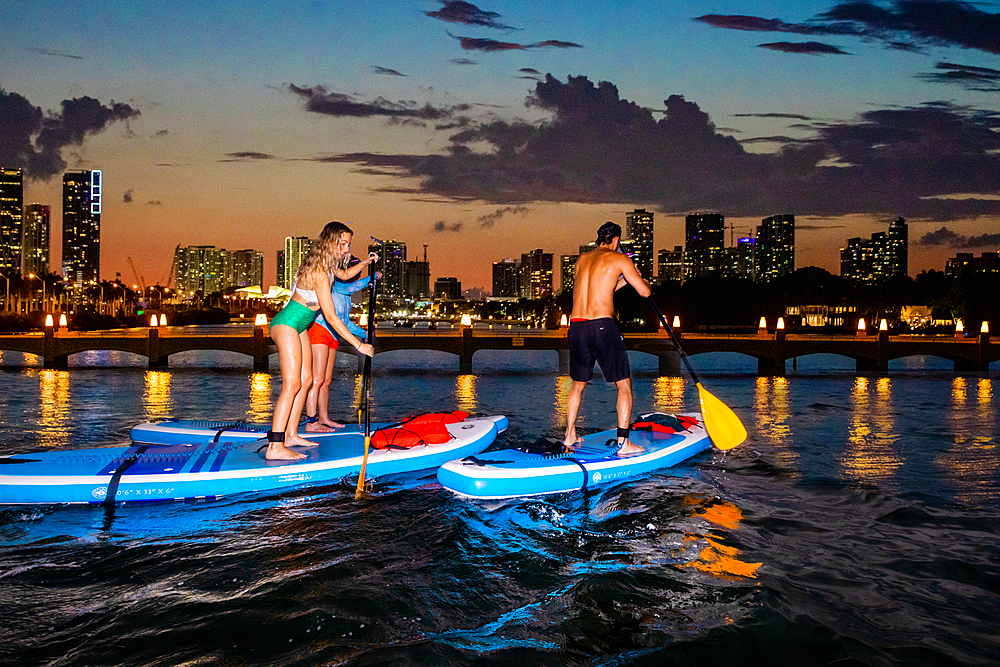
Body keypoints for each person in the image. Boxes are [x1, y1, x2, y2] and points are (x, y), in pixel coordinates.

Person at [265, 221, 377, 460]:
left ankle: (292, 434)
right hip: (286, 325)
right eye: (343, 244)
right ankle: (274, 446)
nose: (346, 249)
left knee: (306, 381)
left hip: (300, 327)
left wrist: (366, 263)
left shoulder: (327, 267)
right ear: (330, 241)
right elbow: (331, 317)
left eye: (348, 244)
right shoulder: (319, 271)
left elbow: (346, 274)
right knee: (292, 384)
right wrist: (358, 345)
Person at [563, 221, 651, 456]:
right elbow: (644, 292)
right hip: (602, 326)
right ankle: (624, 444)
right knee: (624, 384)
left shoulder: (582, 259)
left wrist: (623, 280)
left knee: (578, 384)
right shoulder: (620, 259)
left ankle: (569, 434)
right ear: (616, 241)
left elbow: (602, 288)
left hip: (577, 326)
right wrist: (641, 281)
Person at [303, 259, 380, 432]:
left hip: (333, 335)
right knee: (317, 380)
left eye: (358, 274)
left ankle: (324, 418)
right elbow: (349, 287)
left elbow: (344, 322)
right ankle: (310, 422)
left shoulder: (346, 298)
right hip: (320, 330)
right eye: (355, 272)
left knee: (327, 381)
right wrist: (371, 277)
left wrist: (364, 334)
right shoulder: (335, 284)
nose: (356, 276)